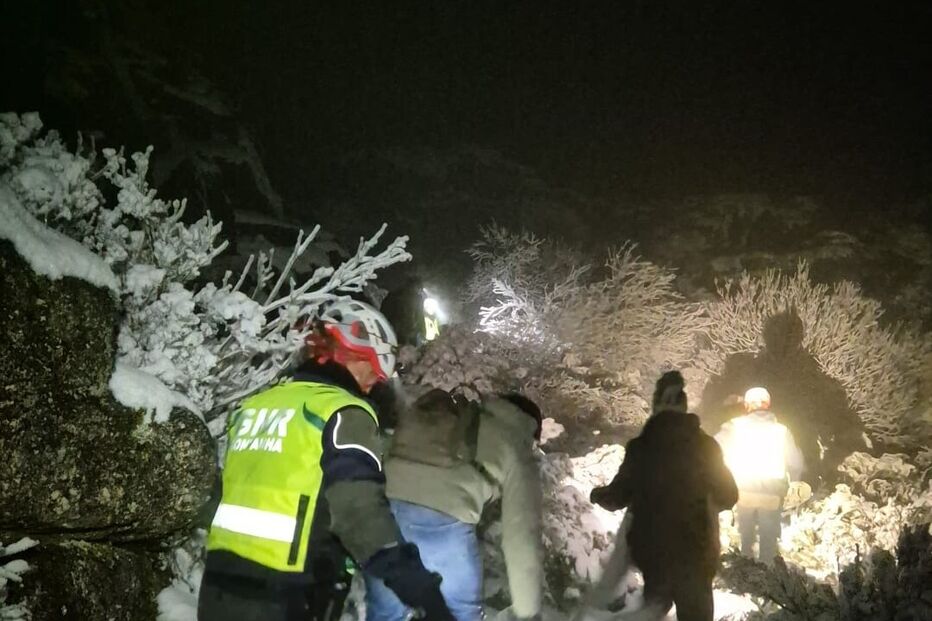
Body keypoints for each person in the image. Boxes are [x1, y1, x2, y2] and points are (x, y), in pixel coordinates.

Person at [198, 299, 455, 621]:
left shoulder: (255, 406)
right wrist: (423, 592)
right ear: (353, 353)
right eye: (373, 367)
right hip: (288, 594)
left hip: (217, 588)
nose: (375, 380)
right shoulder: (344, 411)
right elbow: (360, 515)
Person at [365, 388, 545, 621]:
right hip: (442, 527)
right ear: (531, 430)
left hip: (385, 513)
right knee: (460, 614)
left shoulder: (460, 417)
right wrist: (527, 612)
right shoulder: (516, 445)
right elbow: (523, 536)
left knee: (385, 613)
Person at [590, 371, 738, 621]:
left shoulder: (642, 447)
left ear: (655, 406)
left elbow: (618, 496)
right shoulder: (706, 446)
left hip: (654, 553)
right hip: (697, 553)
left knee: (654, 612)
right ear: (684, 405)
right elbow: (729, 494)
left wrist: (597, 494)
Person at [715, 386, 804, 564]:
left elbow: (713, 449)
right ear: (768, 404)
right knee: (768, 539)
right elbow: (796, 463)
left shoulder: (734, 426)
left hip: (743, 491)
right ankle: (767, 574)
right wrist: (794, 484)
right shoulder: (782, 430)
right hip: (772, 493)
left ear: (747, 405)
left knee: (746, 537)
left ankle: (745, 570)